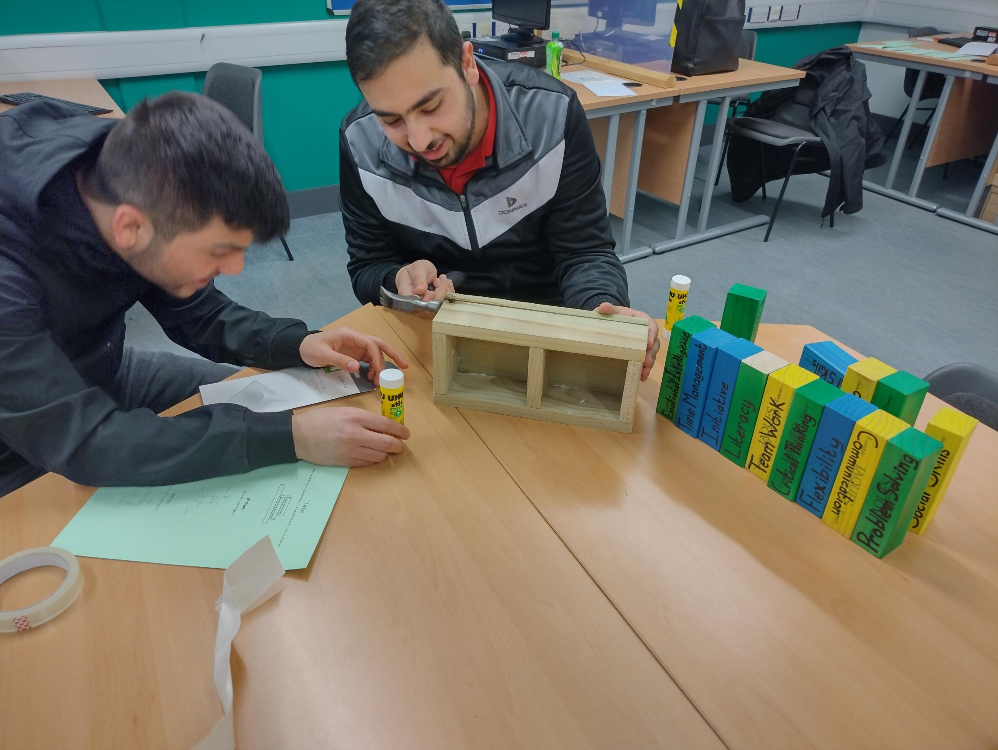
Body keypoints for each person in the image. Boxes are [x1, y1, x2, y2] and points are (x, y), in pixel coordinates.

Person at [0, 92, 410, 498]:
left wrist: (297, 343)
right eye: (218, 251)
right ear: (129, 228)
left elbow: (198, 314)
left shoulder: (127, 170)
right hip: (19, 445)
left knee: (276, 407)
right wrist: (292, 438)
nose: (234, 269)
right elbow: (84, 443)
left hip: (105, 368)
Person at [340, 0, 660, 380]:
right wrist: (397, 278)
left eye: (431, 107)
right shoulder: (360, 143)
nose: (420, 140)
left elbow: (584, 252)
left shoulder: (552, 116)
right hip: (437, 333)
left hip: (544, 322)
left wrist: (600, 309)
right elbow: (367, 265)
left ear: (467, 64)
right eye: (391, 120)